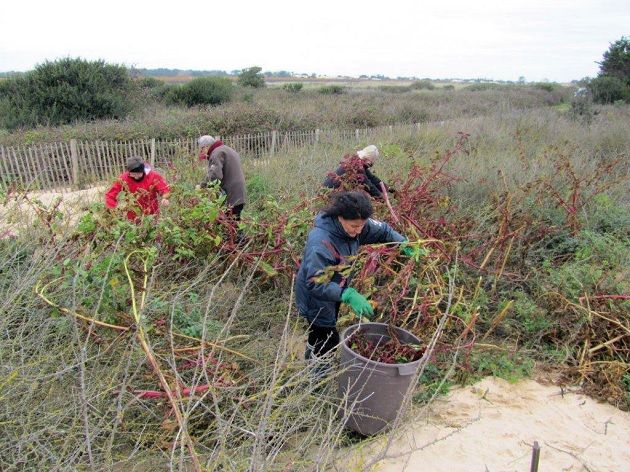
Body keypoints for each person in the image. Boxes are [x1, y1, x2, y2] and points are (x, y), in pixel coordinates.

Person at [295, 191, 418, 371]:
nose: (359, 231)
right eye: (354, 226)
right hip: (317, 296)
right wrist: (347, 294)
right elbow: (315, 283)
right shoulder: (321, 243)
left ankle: (314, 361)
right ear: (340, 218)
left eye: (362, 225)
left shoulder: (358, 226)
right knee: (325, 336)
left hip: (335, 288)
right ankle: (316, 380)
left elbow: (383, 230)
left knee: (325, 331)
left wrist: (403, 244)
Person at [105, 155, 170, 222]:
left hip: (151, 214)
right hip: (132, 216)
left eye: (138, 174)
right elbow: (110, 195)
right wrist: (113, 212)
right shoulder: (123, 179)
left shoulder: (153, 176)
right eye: (133, 174)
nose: (136, 177)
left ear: (143, 171)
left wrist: (165, 198)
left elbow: (165, 189)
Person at [197, 135, 247, 220]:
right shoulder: (226, 149)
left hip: (231, 196)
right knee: (234, 224)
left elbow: (215, 175)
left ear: (205, 147)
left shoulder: (217, 153)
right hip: (238, 193)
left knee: (228, 226)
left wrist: (201, 187)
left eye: (201, 149)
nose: (202, 152)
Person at [322, 145, 391, 199]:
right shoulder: (356, 166)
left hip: (333, 191)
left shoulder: (358, 162)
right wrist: (381, 196)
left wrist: (389, 189)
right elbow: (367, 184)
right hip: (331, 192)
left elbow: (372, 178)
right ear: (371, 159)